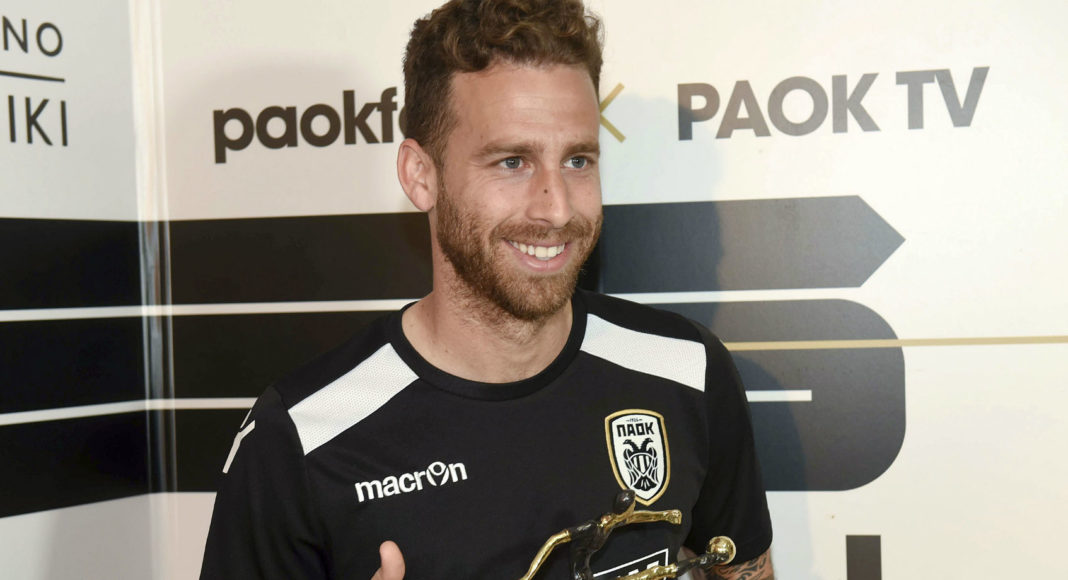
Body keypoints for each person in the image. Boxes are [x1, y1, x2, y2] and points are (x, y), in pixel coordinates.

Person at [199, 1, 774, 578]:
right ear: (420, 175)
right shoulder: (303, 435)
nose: (556, 207)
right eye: (512, 162)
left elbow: (744, 567)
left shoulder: (686, 369)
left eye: (577, 160)